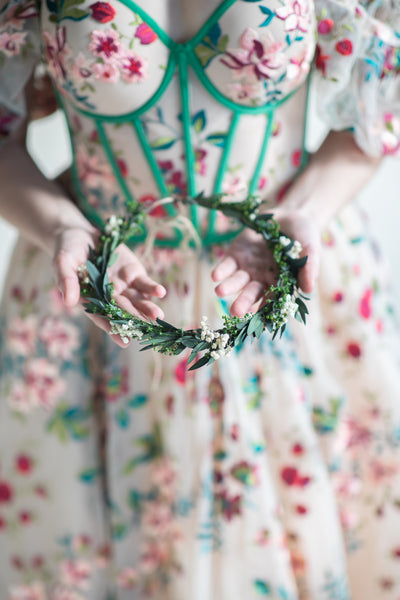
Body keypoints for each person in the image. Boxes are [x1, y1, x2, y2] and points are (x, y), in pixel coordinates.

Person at [0, 0, 400, 598]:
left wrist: (306, 213)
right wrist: (60, 225)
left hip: (281, 280)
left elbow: (377, 111)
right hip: (95, 292)